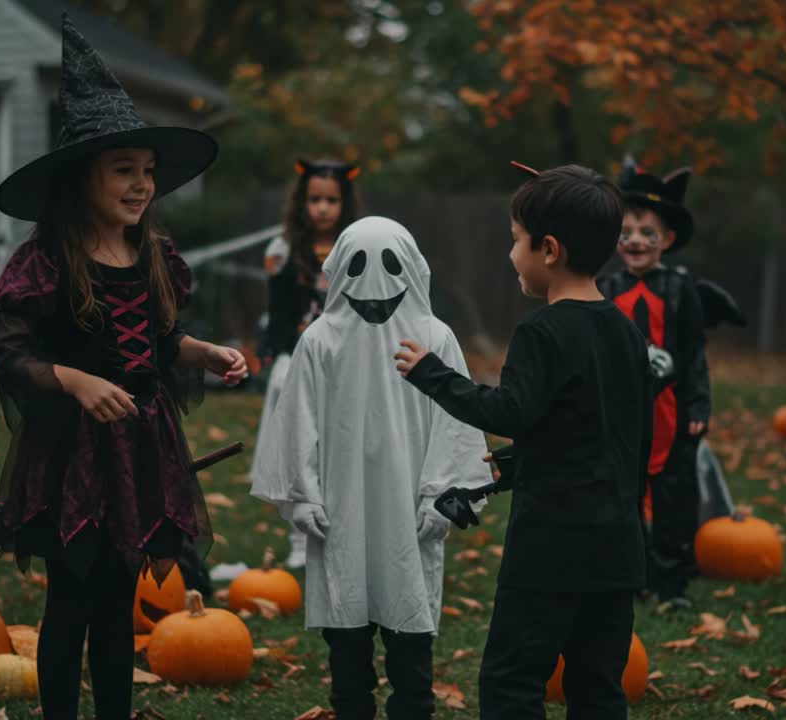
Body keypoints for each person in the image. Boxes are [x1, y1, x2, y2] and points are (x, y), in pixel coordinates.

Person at [0, 15, 246, 719]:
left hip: (139, 448)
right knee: (70, 599)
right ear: (83, 178)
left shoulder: (156, 259)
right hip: (71, 454)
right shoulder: (47, 264)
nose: (141, 185)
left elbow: (159, 347)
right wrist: (73, 380)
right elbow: (12, 356)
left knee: (118, 600)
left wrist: (205, 353)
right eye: (124, 170)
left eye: (148, 172)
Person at [395, 163, 652, 719]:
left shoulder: (542, 332)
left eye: (515, 241)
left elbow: (510, 410)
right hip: (615, 545)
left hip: (550, 549)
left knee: (512, 677)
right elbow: (609, 433)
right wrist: (517, 464)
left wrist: (432, 374)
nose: (511, 254)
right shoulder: (626, 332)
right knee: (597, 685)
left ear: (549, 249)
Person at [251, 216, 491, 720]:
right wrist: (304, 493)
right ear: (339, 270)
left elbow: (456, 419)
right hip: (342, 511)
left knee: (411, 648)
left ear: (412, 270)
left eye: (390, 266)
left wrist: (441, 493)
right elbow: (298, 421)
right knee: (348, 647)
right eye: (359, 266)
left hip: (409, 510)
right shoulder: (320, 341)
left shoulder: (435, 337)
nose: (375, 284)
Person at [597, 162, 710, 611]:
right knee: (623, 494)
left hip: (670, 409)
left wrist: (698, 403)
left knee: (673, 498)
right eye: (625, 232)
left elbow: (694, 352)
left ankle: (672, 582)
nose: (636, 241)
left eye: (647, 232)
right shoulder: (605, 288)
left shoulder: (680, 289)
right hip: (623, 411)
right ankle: (631, 574)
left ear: (667, 239)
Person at [252, 158, 362, 569]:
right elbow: (278, 313)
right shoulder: (282, 252)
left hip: (345, 367)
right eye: (314, 199)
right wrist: (274, 354)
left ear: (345, 203)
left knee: (341, 453)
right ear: (300, 201)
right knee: (299, 451)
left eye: (331, 200)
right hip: (296, 363)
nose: (322, 208)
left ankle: (344, 536)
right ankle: (299, 540)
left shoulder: (357, 250)